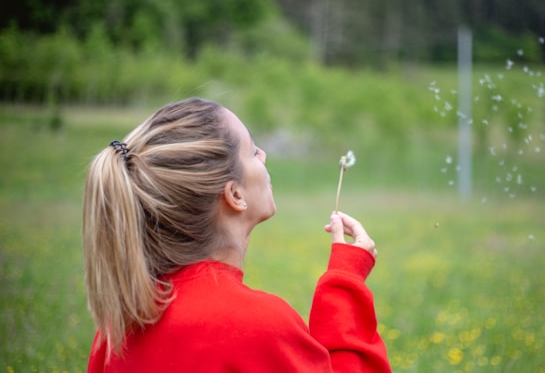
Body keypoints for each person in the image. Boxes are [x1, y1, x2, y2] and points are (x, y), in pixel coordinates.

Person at [83, 98, 391, 372]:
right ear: (235, 194)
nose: (264, 155)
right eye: (252, 150)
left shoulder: (117, 330)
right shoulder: (258, 326)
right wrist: (345, 288)